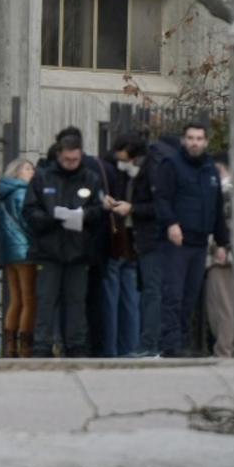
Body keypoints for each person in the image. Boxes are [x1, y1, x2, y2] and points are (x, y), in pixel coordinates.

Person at [26, 131, 108, 357]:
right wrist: (51, 218)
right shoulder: (43, 177)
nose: (71, 164)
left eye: (75, 160)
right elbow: (30, 210)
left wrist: (82, 216)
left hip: (78, 250)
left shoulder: (90, 178)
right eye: (66, 160)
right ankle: (42, 346)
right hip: (48, 249)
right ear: (59, 155)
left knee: (76, 302)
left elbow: (99, 210)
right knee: (46, 300)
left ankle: (76, 346)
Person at [153, 121, 229, 357]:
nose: (194, 143)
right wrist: (171, 223)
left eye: (199, 138)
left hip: (200, 242)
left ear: (205, 142)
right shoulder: (171, 165)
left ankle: (184, 342)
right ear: (184, 140)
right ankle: (171, 345)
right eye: (191, 138)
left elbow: (216, 207)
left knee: (190, 296)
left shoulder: (210, 169)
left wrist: (222, 242)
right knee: (173, 295)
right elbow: (162, 198)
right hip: (177, 240)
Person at [98, 138, 146, 358]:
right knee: (130, 299)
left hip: (114, 242)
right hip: (132, 243)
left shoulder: (104, 169)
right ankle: (131, 347)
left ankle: (111, 350)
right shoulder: (136, 172)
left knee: (112, 300)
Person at [124, 134, 170, 358]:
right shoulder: (155, 165)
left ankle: (150, 343)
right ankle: (152, 342)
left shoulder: (152, 168)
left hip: (152, 239)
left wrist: (132, 208)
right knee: (151, 291)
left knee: (152, 292)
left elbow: (156, 205)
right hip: (147, 239)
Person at [0, 159, 38, 358]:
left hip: (8, 253)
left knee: (15, 300)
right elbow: (28, 221)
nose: (33, 172)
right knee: (30, 300)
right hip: (26, 251)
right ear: (17, 172)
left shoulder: (2, 196)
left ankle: (10, 346)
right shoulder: (22, 193)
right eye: (28, 168)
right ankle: (25, 346)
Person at [205, 160, 234, 358]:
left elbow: (223, 225)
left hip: (221, 255)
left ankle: (225, 349)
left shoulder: (224, 193)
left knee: (221, 306)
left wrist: (220, 247)